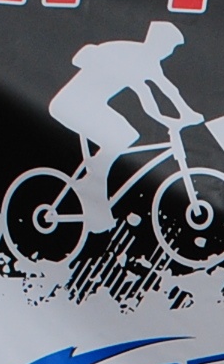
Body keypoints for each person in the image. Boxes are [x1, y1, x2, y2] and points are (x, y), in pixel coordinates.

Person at [48, 20, 199, 226]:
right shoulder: (130, 54)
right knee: (122, 136)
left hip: (88, 106)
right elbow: (153, 92)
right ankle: (93, 180)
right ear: (158, 43)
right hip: (71, 104)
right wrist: (181, 117)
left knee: (124, 136)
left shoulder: (146, 62)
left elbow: (163, 92)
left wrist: (177, 118)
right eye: (169, 47)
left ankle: (94, 187)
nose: (170, 53)